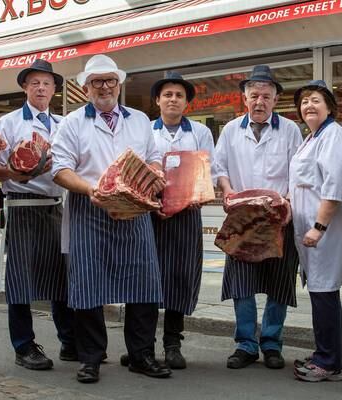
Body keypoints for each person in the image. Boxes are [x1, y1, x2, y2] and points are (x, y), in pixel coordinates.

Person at [51, 54, 171, 383]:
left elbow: (154, 157)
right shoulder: (72, 122)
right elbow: (59, 169)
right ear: (86, 88)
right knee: (88, 284)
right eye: (96, 82)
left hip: (135, 210)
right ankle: (90, 357)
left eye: (110, 81)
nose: (104, 87)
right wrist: (93, 190)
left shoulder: (140, 120)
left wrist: (157, 172)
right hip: (89, 208)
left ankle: (141, 354)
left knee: (144, 282)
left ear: (119, 85)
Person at [0, 59, 75, 371]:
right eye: (35, 82)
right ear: (25, 86)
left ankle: (69, 340)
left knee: (62, 276)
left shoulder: (65, 124)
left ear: (54, 89)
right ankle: (23, 345)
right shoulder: (8, 123)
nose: (41, 87)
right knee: (21, 278)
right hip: (22, 204)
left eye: (46, 83)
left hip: (57, 205)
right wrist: (16, 171)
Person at [213, 65, 302, 370]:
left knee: (279, 284)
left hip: (279, 219)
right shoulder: (230, 130)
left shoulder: (290, 130)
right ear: (245, 98)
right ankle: (246, 344)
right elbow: (219, 167)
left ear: (276, 99)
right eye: (254, 95)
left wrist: (288, 201)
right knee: (242, 285)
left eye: (266, 95)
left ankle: (272, 344)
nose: (260, 101)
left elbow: (298, 172)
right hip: (243, 219)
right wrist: (227, 190)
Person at [289, 80, 342, 382]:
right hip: (309, 229)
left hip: (323, 230)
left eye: (316, 100)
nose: (309, 106)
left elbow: (334, 186)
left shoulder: (333, 135)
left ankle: (328, 363)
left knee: (323, 293)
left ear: (330, 107)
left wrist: (319, 227)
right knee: (321, 291)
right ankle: (328, 354)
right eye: (304, 102)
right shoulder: (312, 137)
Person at [149, 71, 215, 368]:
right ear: (158, 101)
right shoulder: (146, 131)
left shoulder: (199, 133)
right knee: (149, 278)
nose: (173, 99)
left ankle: (172, 344)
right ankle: (143, 345)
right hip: (152, 214)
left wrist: (185, 199)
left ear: (187, 102)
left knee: (180, 276)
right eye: (167, 95)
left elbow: (205, 175)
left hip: (187, 214)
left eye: (179, 95)